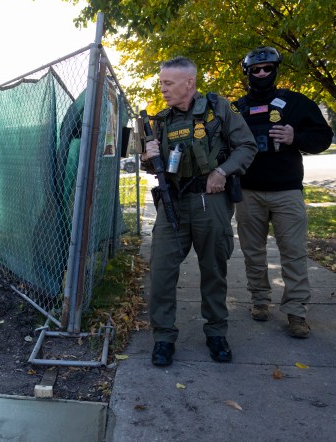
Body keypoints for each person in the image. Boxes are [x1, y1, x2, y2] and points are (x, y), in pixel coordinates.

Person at [141, 56, 257, 367]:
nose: (162, 88)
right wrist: (147, 156)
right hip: (172, 203)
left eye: (168, 83)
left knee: (213, 270)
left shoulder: (219, 109)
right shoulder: (161, 120)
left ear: (189, 83)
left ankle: (216, 332)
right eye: (161, 82)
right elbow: (155, 166)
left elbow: (247, 146)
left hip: (211, 201)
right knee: (162, 271)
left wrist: (223, 171)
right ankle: (163, 337)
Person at [233, 46, 333, 338]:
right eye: (256, 70)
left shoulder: (295, 103)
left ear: (276, 70)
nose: (262, 73)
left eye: (267, 68)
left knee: (293, 253)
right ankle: (260, 301)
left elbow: (323, 137)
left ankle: (297, 313)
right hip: (249, 192)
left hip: (287, 191)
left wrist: (295, 137)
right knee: (253, 253)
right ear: (248, 73)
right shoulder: (237, 109)